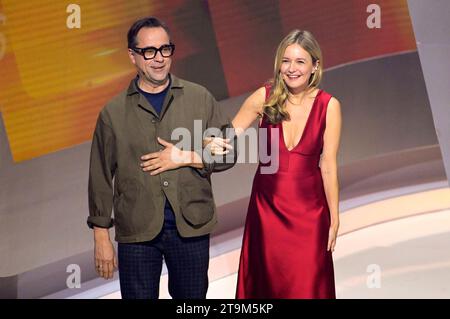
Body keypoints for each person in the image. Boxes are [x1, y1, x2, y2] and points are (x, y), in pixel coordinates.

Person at [87, 17, 236, 299]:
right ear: (132, 56)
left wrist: (188, 157)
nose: (159, 59)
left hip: (190, 226)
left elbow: (230, 152)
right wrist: (101, 237)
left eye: (165, 49)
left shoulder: (198, 98)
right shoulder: (113, 113)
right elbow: (101, 179)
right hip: (138, 233)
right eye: (149, 51)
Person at [208, 29, 341, 298]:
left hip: (310, 216)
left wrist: (335, 216)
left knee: (307, 285)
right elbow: (228, 134)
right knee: (268, 286)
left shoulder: (329, 106)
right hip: (267, 212)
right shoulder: (264, 96)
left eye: (300, 62)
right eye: (286, 61)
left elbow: (328, 165)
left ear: (315, 66)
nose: (292, 69)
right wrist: (206, 143)